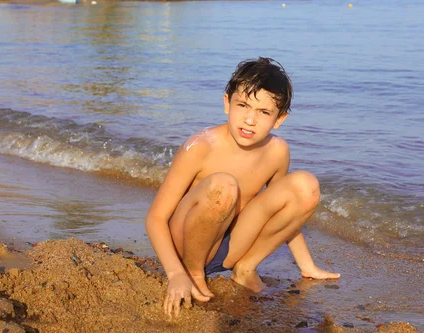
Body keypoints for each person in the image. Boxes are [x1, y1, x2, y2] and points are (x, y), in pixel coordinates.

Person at [145, 57, 340, 318]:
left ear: (279, 119)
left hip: (230, 248)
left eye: (263, 112)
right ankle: (194, 273)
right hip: (186, 245)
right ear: (227, 103)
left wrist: (307, 266)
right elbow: (156, 218)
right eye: (243, 105)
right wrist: (175, 273)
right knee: (223, 185)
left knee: (306, 186)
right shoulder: (201, 146)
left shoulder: (277, 151)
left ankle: (245, 269)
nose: (250, 120)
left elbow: (283, 210)